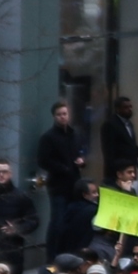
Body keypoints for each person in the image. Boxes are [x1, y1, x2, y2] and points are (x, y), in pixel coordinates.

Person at [38, 101, 84, 260]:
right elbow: (43, 161)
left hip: (74, 184)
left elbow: (80, 153)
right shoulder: (48, 137)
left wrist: (81, 161)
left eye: (65, 114)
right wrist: (63, 168)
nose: (62, 117)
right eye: (59, 114)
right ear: (54, 116)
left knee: (72, 221)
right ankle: (52, 256)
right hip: (58, 185)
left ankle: (68, 252)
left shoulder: (75, 134)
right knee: (57, 222)